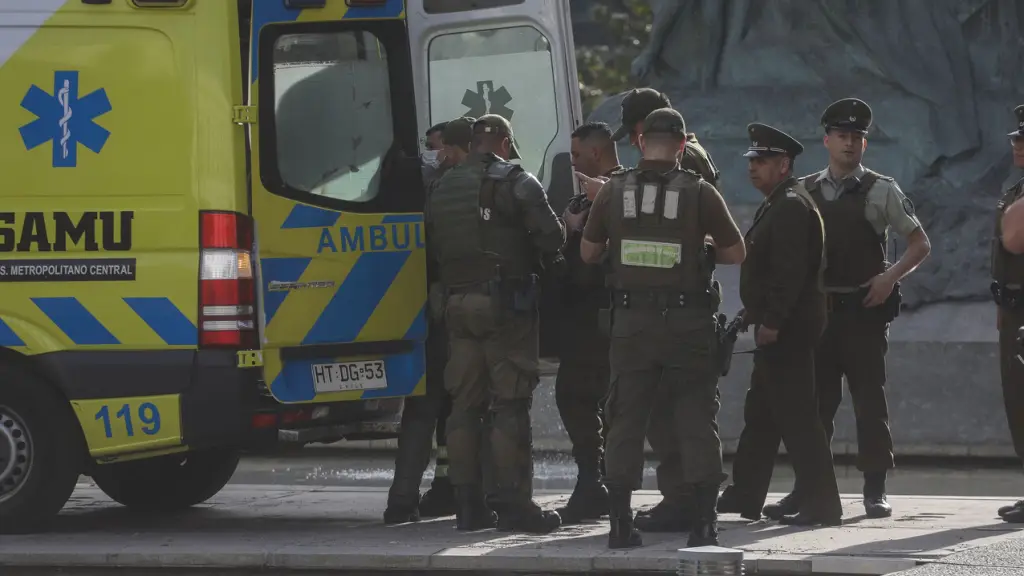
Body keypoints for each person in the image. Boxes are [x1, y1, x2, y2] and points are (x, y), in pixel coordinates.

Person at [580, 108, 746, 548]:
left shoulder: (613, 192)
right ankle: (704, 525)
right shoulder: (700, 192)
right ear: (680, 147)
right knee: (695, 418)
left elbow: (588, 252)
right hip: (688, 326)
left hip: (631, 325)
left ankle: (619, 524)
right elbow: (736, 253)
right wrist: (700, 246)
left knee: (625, 419)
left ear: (639, 142)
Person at [763, 98, 931, 521]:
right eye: (842, 136)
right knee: (814, 406)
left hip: (864, 313)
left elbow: (920, 243)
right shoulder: (804, 190)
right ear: (826, 140)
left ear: (864, 143)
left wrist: (889, 277)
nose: (850, 143)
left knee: (869, 403)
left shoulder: (881, 189)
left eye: (857, 137)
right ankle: (808, 489)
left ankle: (874, 490)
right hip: (817, 315)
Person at [424, 114, 565, 533]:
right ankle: (514, 504)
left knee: (464, 406)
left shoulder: (441, 186)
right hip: (505, 307)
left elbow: (434, 246)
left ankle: (468, 506)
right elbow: (552, 238)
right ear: (504, 141)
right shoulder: (516, 181)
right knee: (510, 404)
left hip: (456, 304)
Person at [716, 122, 843, 527]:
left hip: (787, 329)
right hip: (780, 325)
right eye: (752, 159)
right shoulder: (779, 201)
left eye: (763, 160)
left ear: (784, 164)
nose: (753, 166)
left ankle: (823, 504)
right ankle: (746, 493)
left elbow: (788, 274)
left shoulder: (790, 205)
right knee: (763, 413)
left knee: (799, 418)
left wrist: (771, 321)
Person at [385, 117, 475, 524]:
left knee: (427, 410)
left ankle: (409, 499)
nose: (433, 155)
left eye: (437, 147)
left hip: (434, 311)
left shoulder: (426, 190)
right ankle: (470, 499)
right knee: (457, 408)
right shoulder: (470, 188)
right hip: (456, 315)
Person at [552, 122, 623, 524]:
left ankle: (594, 483)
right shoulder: (622, 190)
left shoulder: (610, 194)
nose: (573, 163)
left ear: (596, 154)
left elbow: (586, 266)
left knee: (577, 395)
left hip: (597, 317)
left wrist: (572, 234)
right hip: (604, 317)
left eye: (577, 155)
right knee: (602, 400)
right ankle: (602, 483)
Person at [991, 104, 1024, 523]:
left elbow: (1014, 238)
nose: (1017, 145)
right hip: (1014, 309)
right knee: (1018, 401)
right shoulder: (1016, 189)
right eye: (1015, 138)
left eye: (1023, 139)